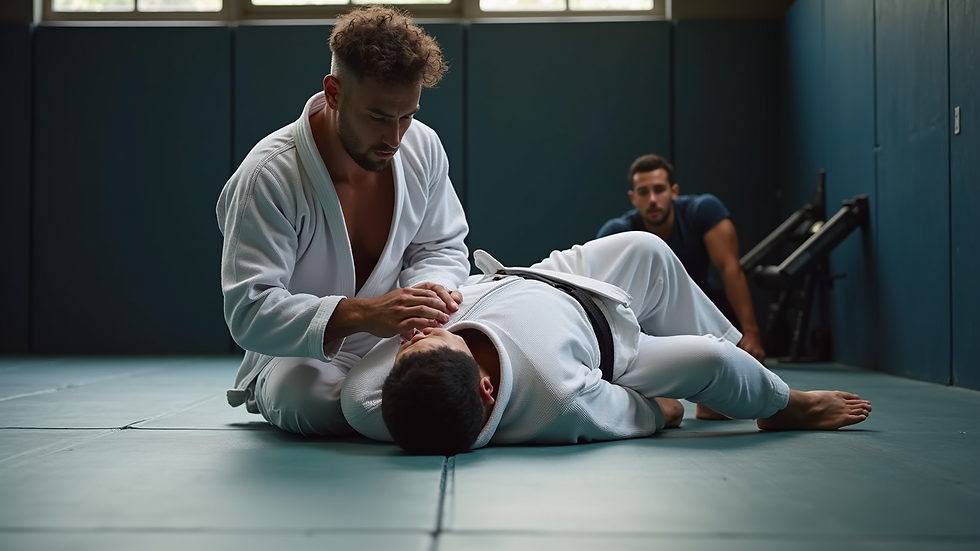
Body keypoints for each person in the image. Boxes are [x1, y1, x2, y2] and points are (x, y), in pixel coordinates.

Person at [341, 233, 871, 455]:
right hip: (610, 346)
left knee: (648, 249)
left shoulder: (384, 405)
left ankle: (720, 402)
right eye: (435, 339)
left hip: (541, 276)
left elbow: (360, 391)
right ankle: (784, 404)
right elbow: (638, 412)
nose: (419, 332)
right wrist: (662, 412)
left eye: (410, 345)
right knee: (713, 359)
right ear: (486, 388)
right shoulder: (558, 398)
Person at [216, 5, 470, 437]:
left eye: (407, 116)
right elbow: (251, 311)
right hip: (304, 354)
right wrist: (362, 313)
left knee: (490, 344)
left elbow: (440, 246)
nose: (394, 137)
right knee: (307, 399)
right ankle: (444, 411)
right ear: (334, 92)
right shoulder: (269, 175)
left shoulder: (423, 146)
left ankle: (429, 406)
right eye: (377, 117)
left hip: (401, 336)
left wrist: (427, 295)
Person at [597, 154, 765, 363]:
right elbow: (599, 295)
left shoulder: (702, 210)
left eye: (659, 189)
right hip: (645, 332)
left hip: (700, 320)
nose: (652, 199)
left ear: (674, 191)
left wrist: (751, 335)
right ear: (633, 198)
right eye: (643, 192)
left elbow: (730, 269)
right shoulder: (617, 232)